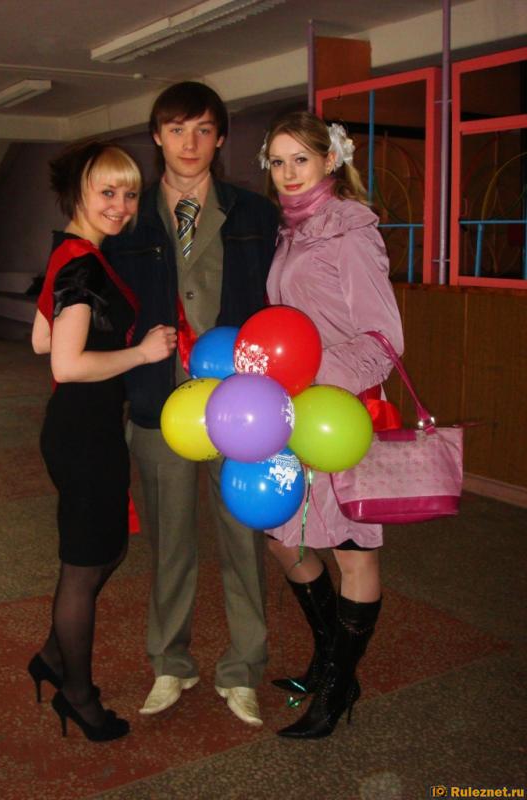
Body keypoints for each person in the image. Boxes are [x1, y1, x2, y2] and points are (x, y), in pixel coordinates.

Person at [103, 82, 279, 727]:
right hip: (159, 402)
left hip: (241, 405)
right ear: (157, 136)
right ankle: (170, 663)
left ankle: (244, 669)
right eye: (176, 129)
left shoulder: (255, 214)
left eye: (203, 129)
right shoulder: (129, 220)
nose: (189, 143)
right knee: (170, 544)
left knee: (243, 541)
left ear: (221, 137)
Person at [258, 110, 404, 739]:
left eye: (301, 159)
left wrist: (312, 374)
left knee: (351, 554)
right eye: (278, 161)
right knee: (282, 537)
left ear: (330, 160)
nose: (289, 173)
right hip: (296, 410)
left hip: (342, 411)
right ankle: (329, 659)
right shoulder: (292, 230)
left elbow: (384, 339)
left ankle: (338, 688)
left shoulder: (350, 230)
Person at [29, 140, 177, 742]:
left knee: (103, 551)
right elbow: (64, 363)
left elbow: (41, 338)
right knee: (85, 566)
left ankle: (52, 657)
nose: (121, 205)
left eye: (130, 193)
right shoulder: (82, 263)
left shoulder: (72, 253)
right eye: (107, 192)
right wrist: (141, 352)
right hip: (84, 431)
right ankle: (78, 696)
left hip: (83, 427)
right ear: (78, 194)